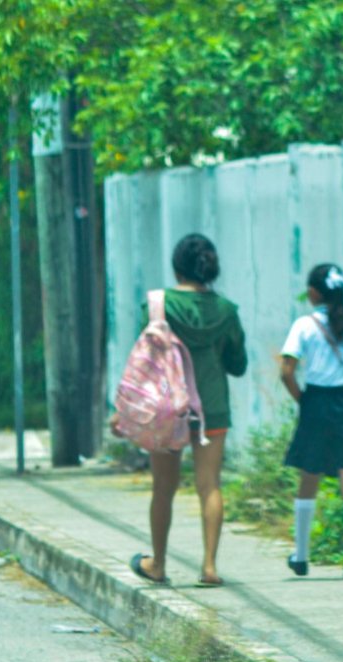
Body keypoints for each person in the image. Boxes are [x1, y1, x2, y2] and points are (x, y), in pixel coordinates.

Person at [127, 233, 248, 587]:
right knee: (209, 486)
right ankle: (209, 568)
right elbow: (237, 364)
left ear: (177, 265)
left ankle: (158, 564)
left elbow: (145, 359)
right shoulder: (227, 311)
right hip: (211, 409)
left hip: (167, 410)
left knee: (163, 487)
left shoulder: (157, 305)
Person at [279, 263, 343, 581]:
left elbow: (286, 371)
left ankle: (302, 555)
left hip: (317, 404)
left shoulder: (304, 325)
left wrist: (304, 401)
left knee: (309, 478)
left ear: (312, 293)